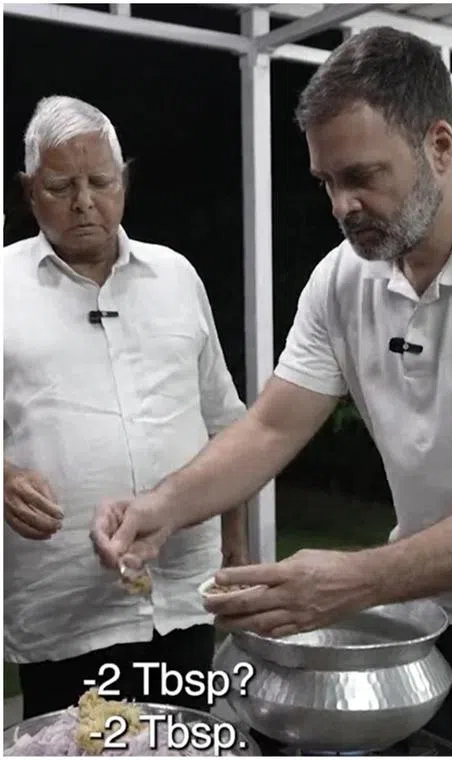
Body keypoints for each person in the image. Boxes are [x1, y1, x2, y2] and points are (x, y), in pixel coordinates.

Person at [89, 28, 452, 756]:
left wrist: (361, 578)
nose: (343, 205)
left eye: (362, 176)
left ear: (440, 145)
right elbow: (271, 428)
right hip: (418, 628)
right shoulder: (344, 278)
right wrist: (163, 506)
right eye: (327, 183)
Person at [4, 95, 248, 719]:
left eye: (99, 181)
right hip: (64, 616)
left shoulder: (176, 278)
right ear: (30, 191)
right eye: (61, 185)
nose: (84, 201)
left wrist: (237, 549)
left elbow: (227, 423)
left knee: (187, 744)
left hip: (185, 600)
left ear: (124, 182)